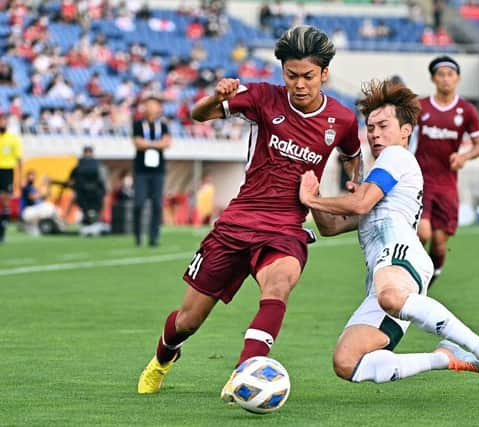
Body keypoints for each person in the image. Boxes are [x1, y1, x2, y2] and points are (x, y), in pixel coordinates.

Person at [137, 26, 362, 398]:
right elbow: (198, 116)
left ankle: (245, 373)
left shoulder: (342, 118)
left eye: (308, 76)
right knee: (188, 320)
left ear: (324, 74)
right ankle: (161, 360)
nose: (299, 84)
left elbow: (352, 156)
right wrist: (217, 96)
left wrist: (354, 182)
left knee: (279, 285)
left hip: (286, 228)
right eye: (291, 76)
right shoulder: (261, 97)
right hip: (237, 223)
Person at [299, 79, 479, 388]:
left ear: (405, 130)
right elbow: (331, 226)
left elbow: (361, 204)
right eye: (371, 126)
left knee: (391, 296)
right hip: (382, 277)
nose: (375, 133)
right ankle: (446, 357)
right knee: (346, 361)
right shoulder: (377, 177)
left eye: (383, 125)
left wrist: (314, 200)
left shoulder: (396, 156)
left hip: (402, 258)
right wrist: (314, 191)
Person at [414, 56, 479, 286]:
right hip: (420, 181)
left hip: (446, 183)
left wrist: (463, 156)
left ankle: (429, 280)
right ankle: (410, 280)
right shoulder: (420, 108)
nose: (445, 79)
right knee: (422, 233)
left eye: (450, 75)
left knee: (439, 242)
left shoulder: (467, 111)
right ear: (433, 79)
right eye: (441, 75)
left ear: (458, 78)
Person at [131, 93, 171, 247]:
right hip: (141, 170)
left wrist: (148, 144)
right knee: (139, 204)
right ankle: (138, 236)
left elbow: (167, 143)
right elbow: (137, 143)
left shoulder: (163, 125)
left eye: (154, 105)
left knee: (156, 205)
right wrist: (156, 144)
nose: (151, 108)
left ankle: (154, 237)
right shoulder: (138, 124)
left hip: (158, 171)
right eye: (148, 105)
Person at [0, 111, 22, 243]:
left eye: (3, 119)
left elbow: (19, 159)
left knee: (5, 202)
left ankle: (2, 232)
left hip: (7, 171)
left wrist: (20, 179)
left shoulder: (13, 138)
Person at [20, 170, 59, 235]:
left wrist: (48, 185)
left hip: (34, 209)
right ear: (27, 177)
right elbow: (32, 197)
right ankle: (32, 226)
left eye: (34, 176)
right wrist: (43, 184)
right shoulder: (26, 187)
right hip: (27, 211)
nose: (32, 177)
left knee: (50, 207)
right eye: (31, 176)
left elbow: (46, 196)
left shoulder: (34, 187)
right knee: (46, 207)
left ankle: (51, 225)